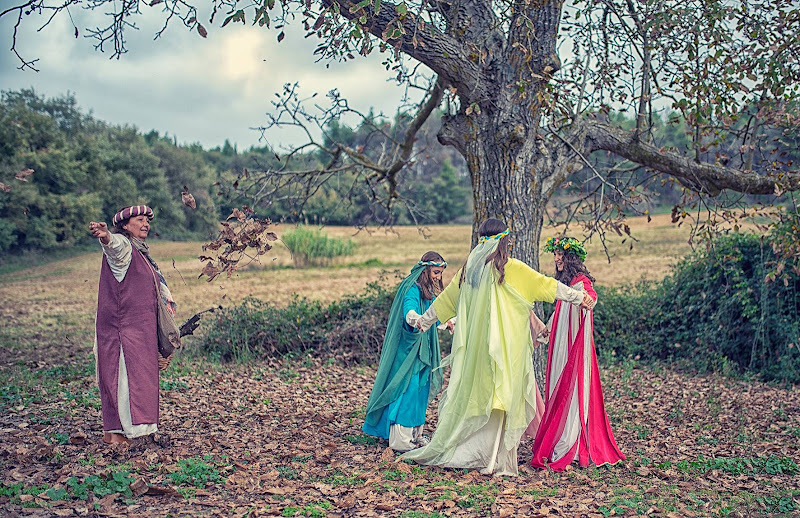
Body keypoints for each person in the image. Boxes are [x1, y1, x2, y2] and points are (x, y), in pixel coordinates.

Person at [402, 219, 594, 476]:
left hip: (478, 349)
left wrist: (424, 322)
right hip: (507, 348)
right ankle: (492, 457)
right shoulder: (510, 268)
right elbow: (546, 285)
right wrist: (578, 297)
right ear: (504, 240)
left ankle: (484, 453)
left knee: (485, 395)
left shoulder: (470, 270)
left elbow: (445, 299)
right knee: (501, 397)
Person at [530, 236, 625, 471]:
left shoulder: (581, 283)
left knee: (573, 392)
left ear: (571, 258)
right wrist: (545, 333)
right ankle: (558, 436)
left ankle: (571, 440)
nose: (556, 259)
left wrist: (588, 301)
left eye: (560, 256)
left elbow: (591, 298)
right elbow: (560, 312)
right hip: (560, 346)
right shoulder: (564, 284)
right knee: (557, 388)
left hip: (574, 346)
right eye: (555, 256)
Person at [89, 205, 174, 446]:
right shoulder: (125, 246)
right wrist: (105, 236)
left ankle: (125, 433)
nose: (145, 223)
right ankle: (122, 434)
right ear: (126, 225)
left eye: (147, 220)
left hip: (138, 329)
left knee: (138, 378)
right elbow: (113, 246)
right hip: (122, 331)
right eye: (139, 220)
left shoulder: (141, 252)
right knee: (125, 380)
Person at [362, 251, 451, 452]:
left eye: (440, 273)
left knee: (420, 390)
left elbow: (431, 315)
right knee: (407, 389)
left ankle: (414, 435)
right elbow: (410, 312)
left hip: (423, 349)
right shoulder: (412, 288)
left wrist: (448, 322)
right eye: (435, 272)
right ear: (426, 269)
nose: (438, 277)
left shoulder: (426, 290)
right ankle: (400, 439)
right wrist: (416, 319)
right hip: (409, 351)